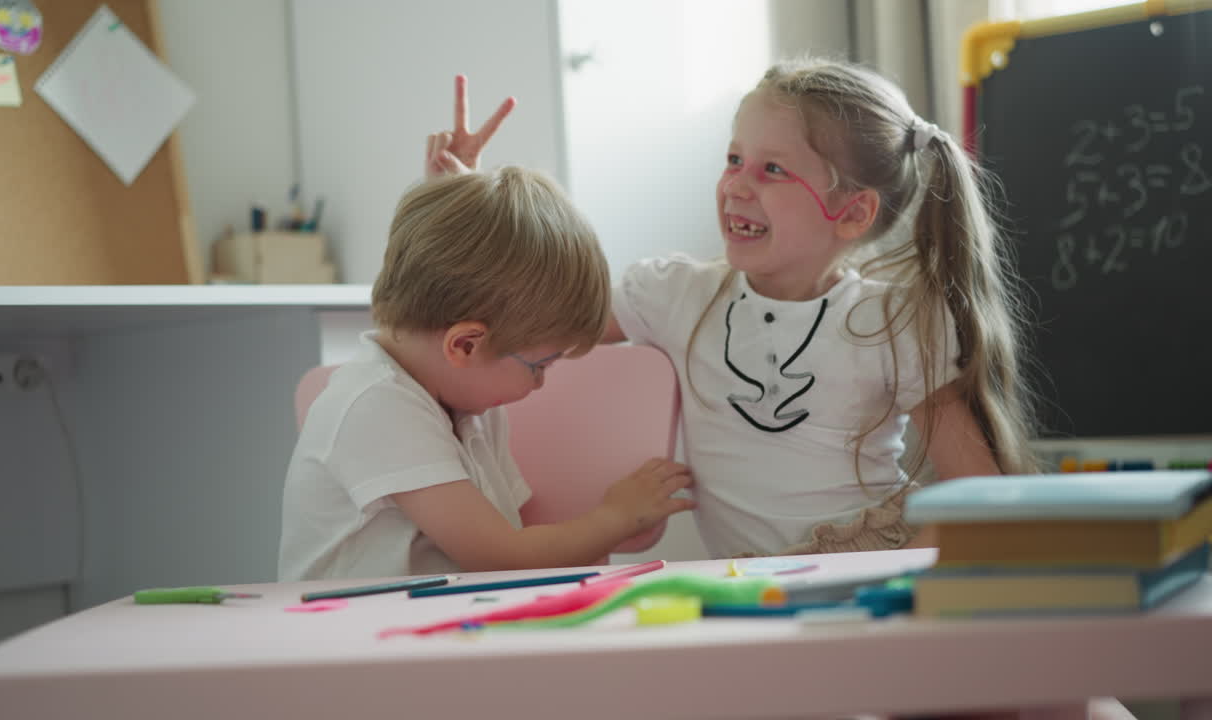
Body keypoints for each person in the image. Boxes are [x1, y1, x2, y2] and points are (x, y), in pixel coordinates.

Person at [428, 60, 1041, 559]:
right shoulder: (676, 296)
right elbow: (535, 320)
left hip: (868, 561)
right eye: (732, 160)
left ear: (853, 213)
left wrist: (903, 584)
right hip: (754, 584)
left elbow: (979, 492)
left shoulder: (891, 322)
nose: (737, 186)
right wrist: (460, 204)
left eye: (772, 169)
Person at [278, 162, 694, 581]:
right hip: (349, 622)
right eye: (539, 366)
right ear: (464, 345)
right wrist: (617, 518)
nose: (540, 384)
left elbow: (513, 540)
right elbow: (502, 557)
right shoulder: (376, 406)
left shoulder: (468, 405)